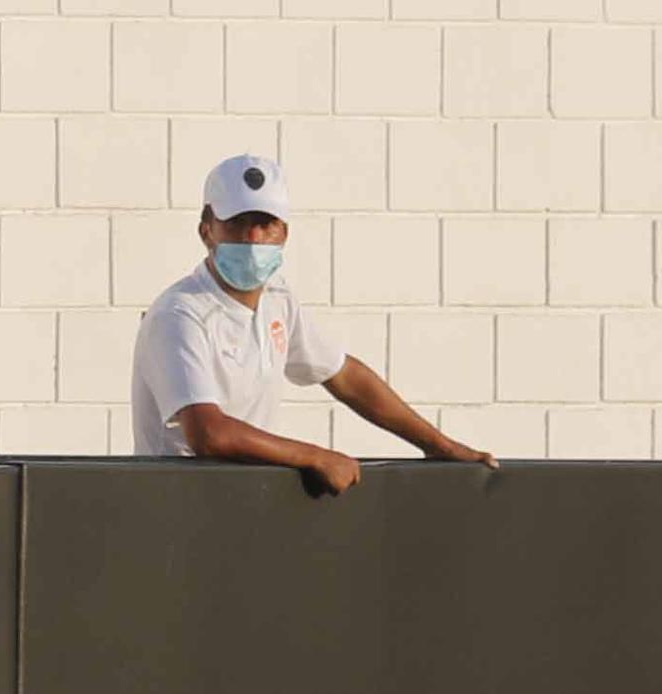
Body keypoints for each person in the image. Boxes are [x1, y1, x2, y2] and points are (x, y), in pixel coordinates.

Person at [131, 154, 496, 495]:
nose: (253, 238)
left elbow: (345, 376)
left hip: (241, 504)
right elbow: (208, 433)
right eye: (237, 223)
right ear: (206, 231)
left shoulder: (278, 299)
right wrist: (316, 457)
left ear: (284, 233)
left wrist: (440, 445)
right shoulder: (180, 315)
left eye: (265, 223)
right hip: (177, 510)